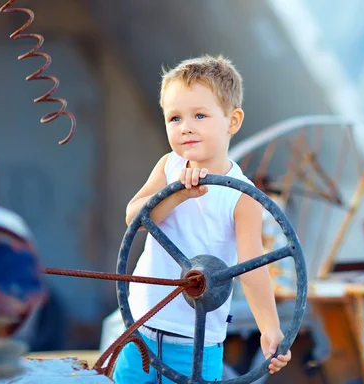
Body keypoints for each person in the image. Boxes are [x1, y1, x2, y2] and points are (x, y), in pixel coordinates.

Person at [113, 55, 291, 383]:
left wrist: (270, 328)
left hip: (197, 342)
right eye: (174, 118)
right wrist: (176, 193)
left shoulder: (242, 196)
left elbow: (252, 267)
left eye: (199, 115)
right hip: (139, 328)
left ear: (232, 121)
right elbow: (133, 217)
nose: (186, 127)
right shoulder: (168, 166)